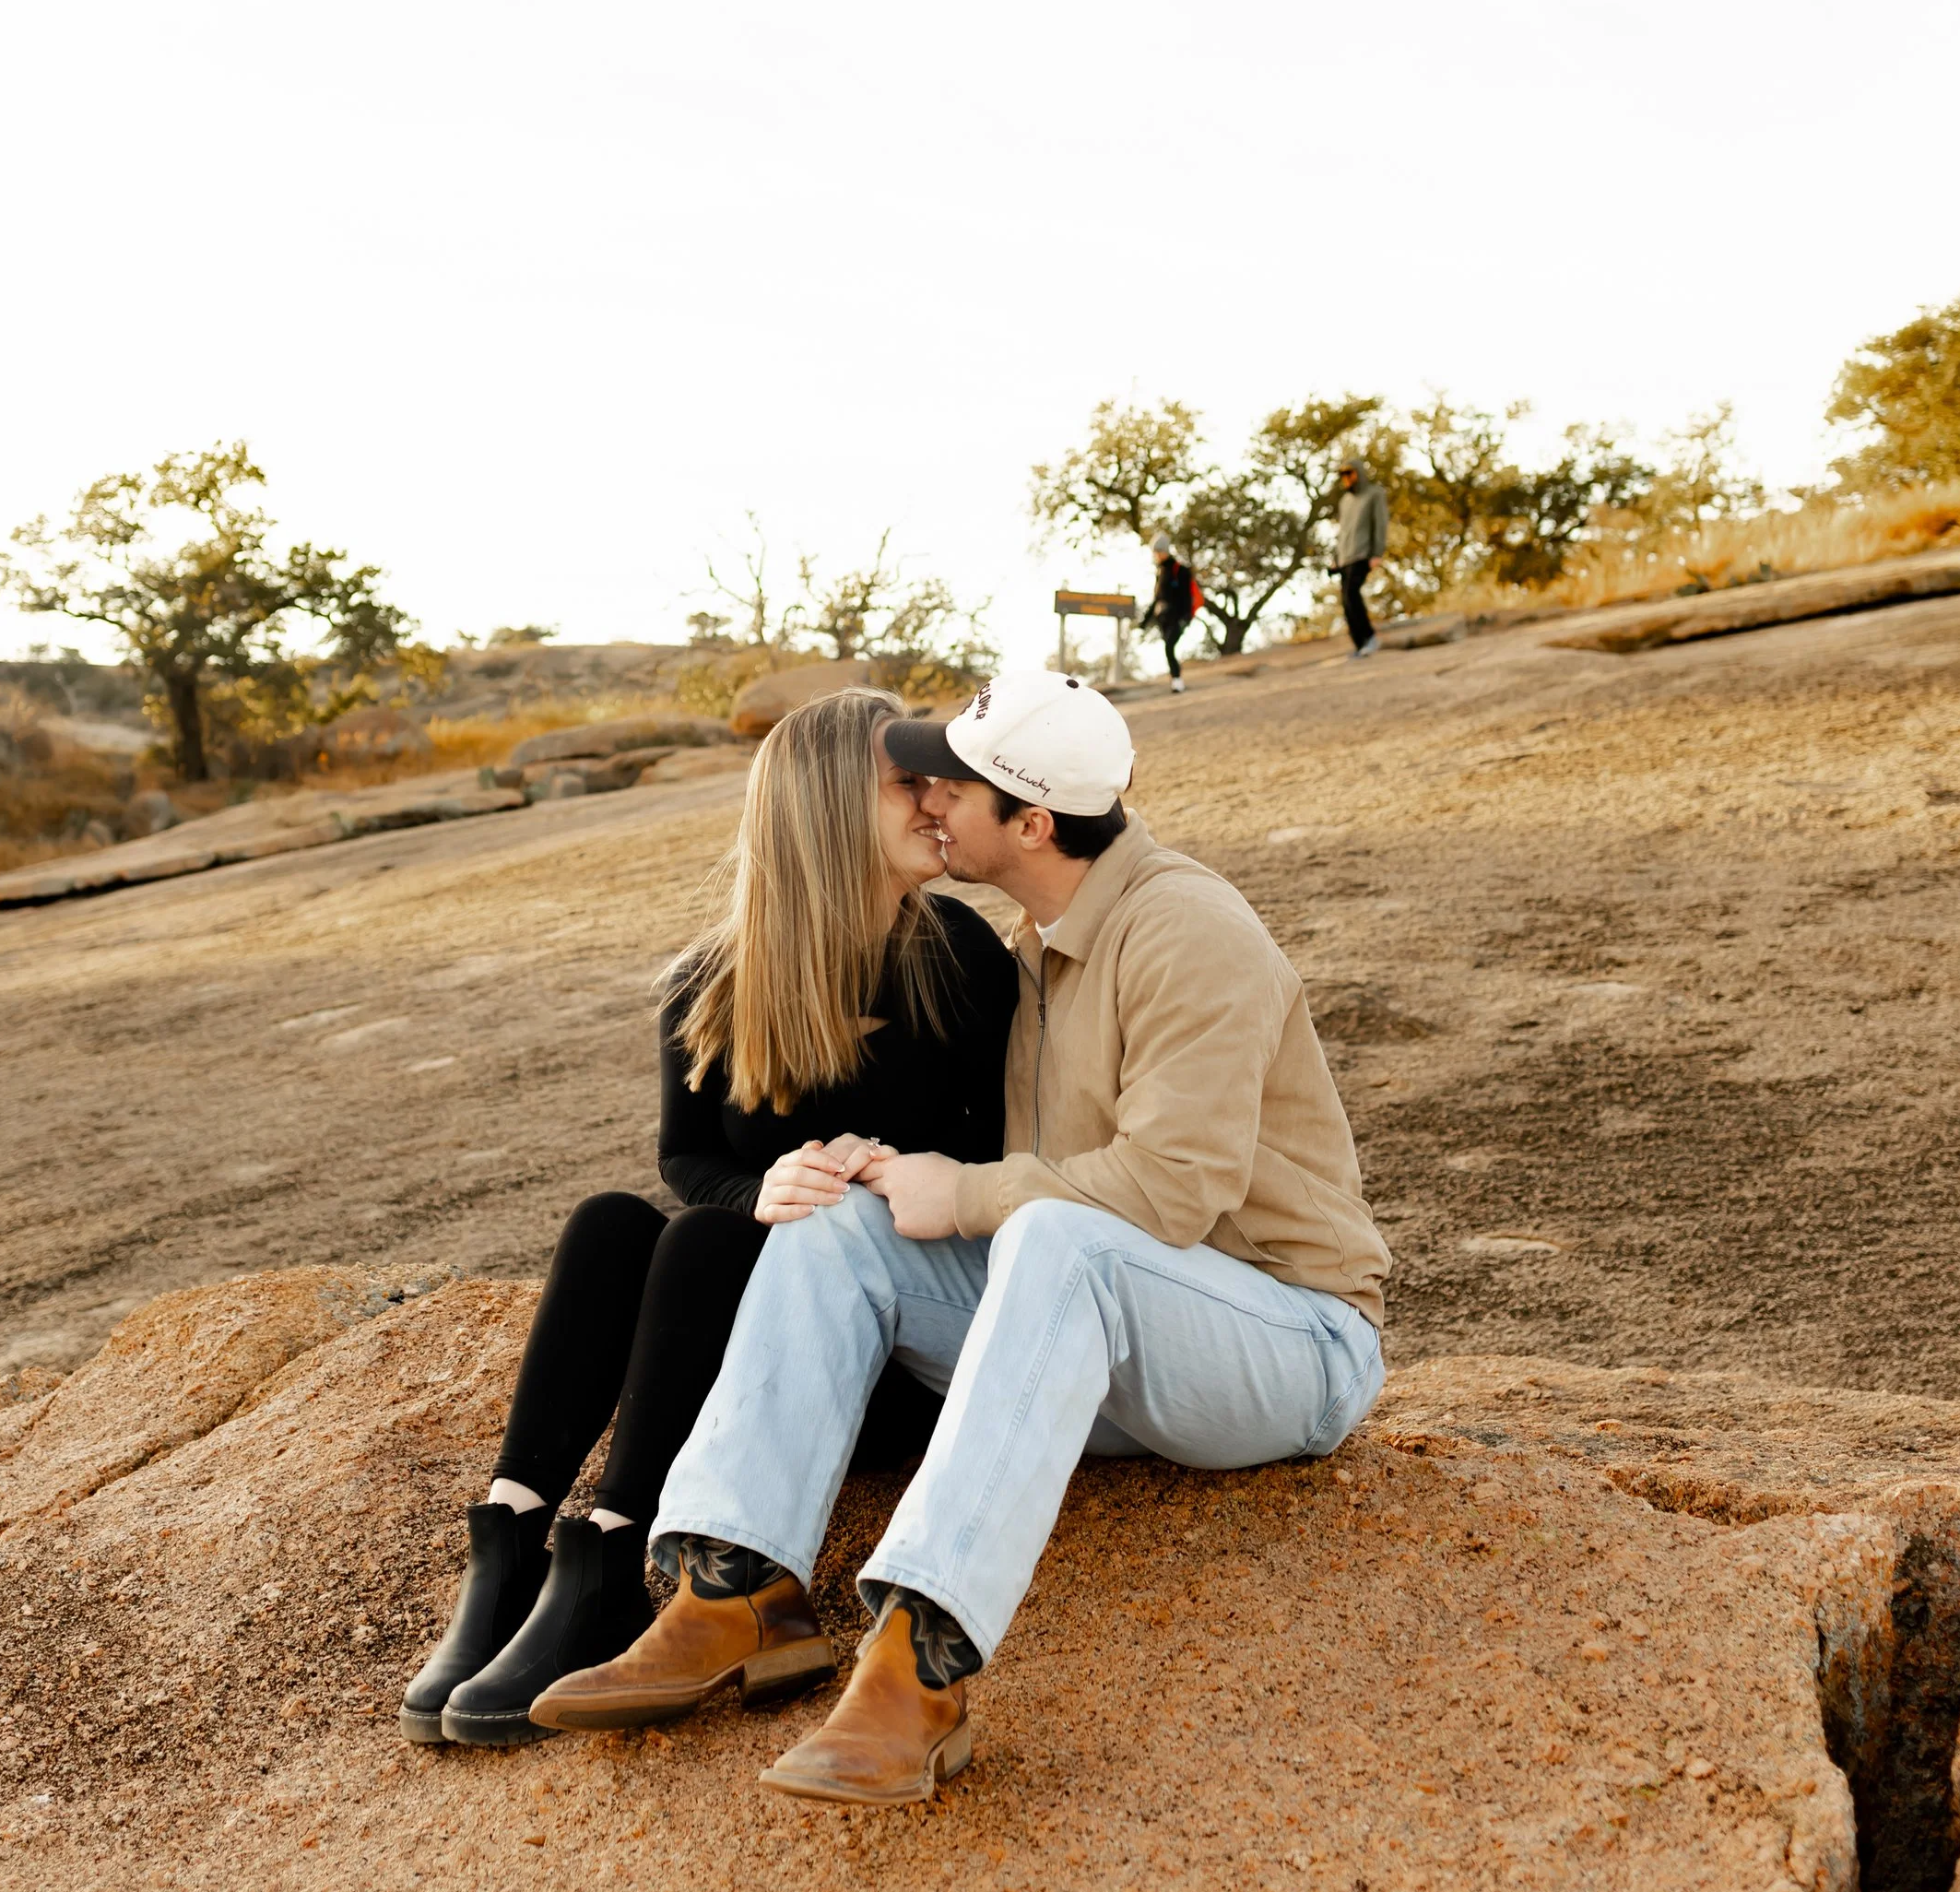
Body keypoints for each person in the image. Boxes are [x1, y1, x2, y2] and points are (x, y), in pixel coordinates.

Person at [526, 673, 1388, 1805]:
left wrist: (966, 1193)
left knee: (1055, 1239)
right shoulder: (1036, 944)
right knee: (840, 1220)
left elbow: (1173, 1193)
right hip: (1113, 1355)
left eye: (953, 785)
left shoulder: (1186, 929)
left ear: (1029, 823)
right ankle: (734, 1589)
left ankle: (917, 1663)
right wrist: (871, 1172)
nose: (927, 799)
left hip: (1286, 1346)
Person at [399, 688, 1017, 1748]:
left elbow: (1006, 1154)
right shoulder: (710, 979)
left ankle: (622, 1538)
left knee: (702, 1240)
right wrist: (761, 1188)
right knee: (609, 1221)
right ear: (828, 809)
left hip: (868, 1361)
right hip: (749, 1350)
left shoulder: (957, 954)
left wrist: (881, 1174)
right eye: (906, 783)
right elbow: (684, 1158)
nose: (936, 802)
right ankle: (515, 1544)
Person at [1330, 461, 1388, 656]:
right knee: (1346, 603)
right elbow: (1342, 532)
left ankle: (1370, 637)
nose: (1346, 478)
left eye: (1350, 473)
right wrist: (1336, 557)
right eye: (1343, 474)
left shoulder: (1374, 494)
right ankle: (1359, 645)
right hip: (1344, 557)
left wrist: (1377, 553)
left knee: (1351, 595)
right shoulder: (1345, 501)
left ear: (1358, 473)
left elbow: (1380, 523)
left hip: (1362, 554)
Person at [1139, 532, 1199, 689]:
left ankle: (1177, 681)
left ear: (1163, 550)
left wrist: (1186, 618)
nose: (1155, 555)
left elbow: (1187, 597)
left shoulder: (1180, 570)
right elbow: (1157, 599)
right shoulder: (1160, 572)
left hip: (1177, 618)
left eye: (1157, 552)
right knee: (1169, 648)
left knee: (1169, 647)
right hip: (1163, 619)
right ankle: (1176, 679)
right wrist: (1145, 621)